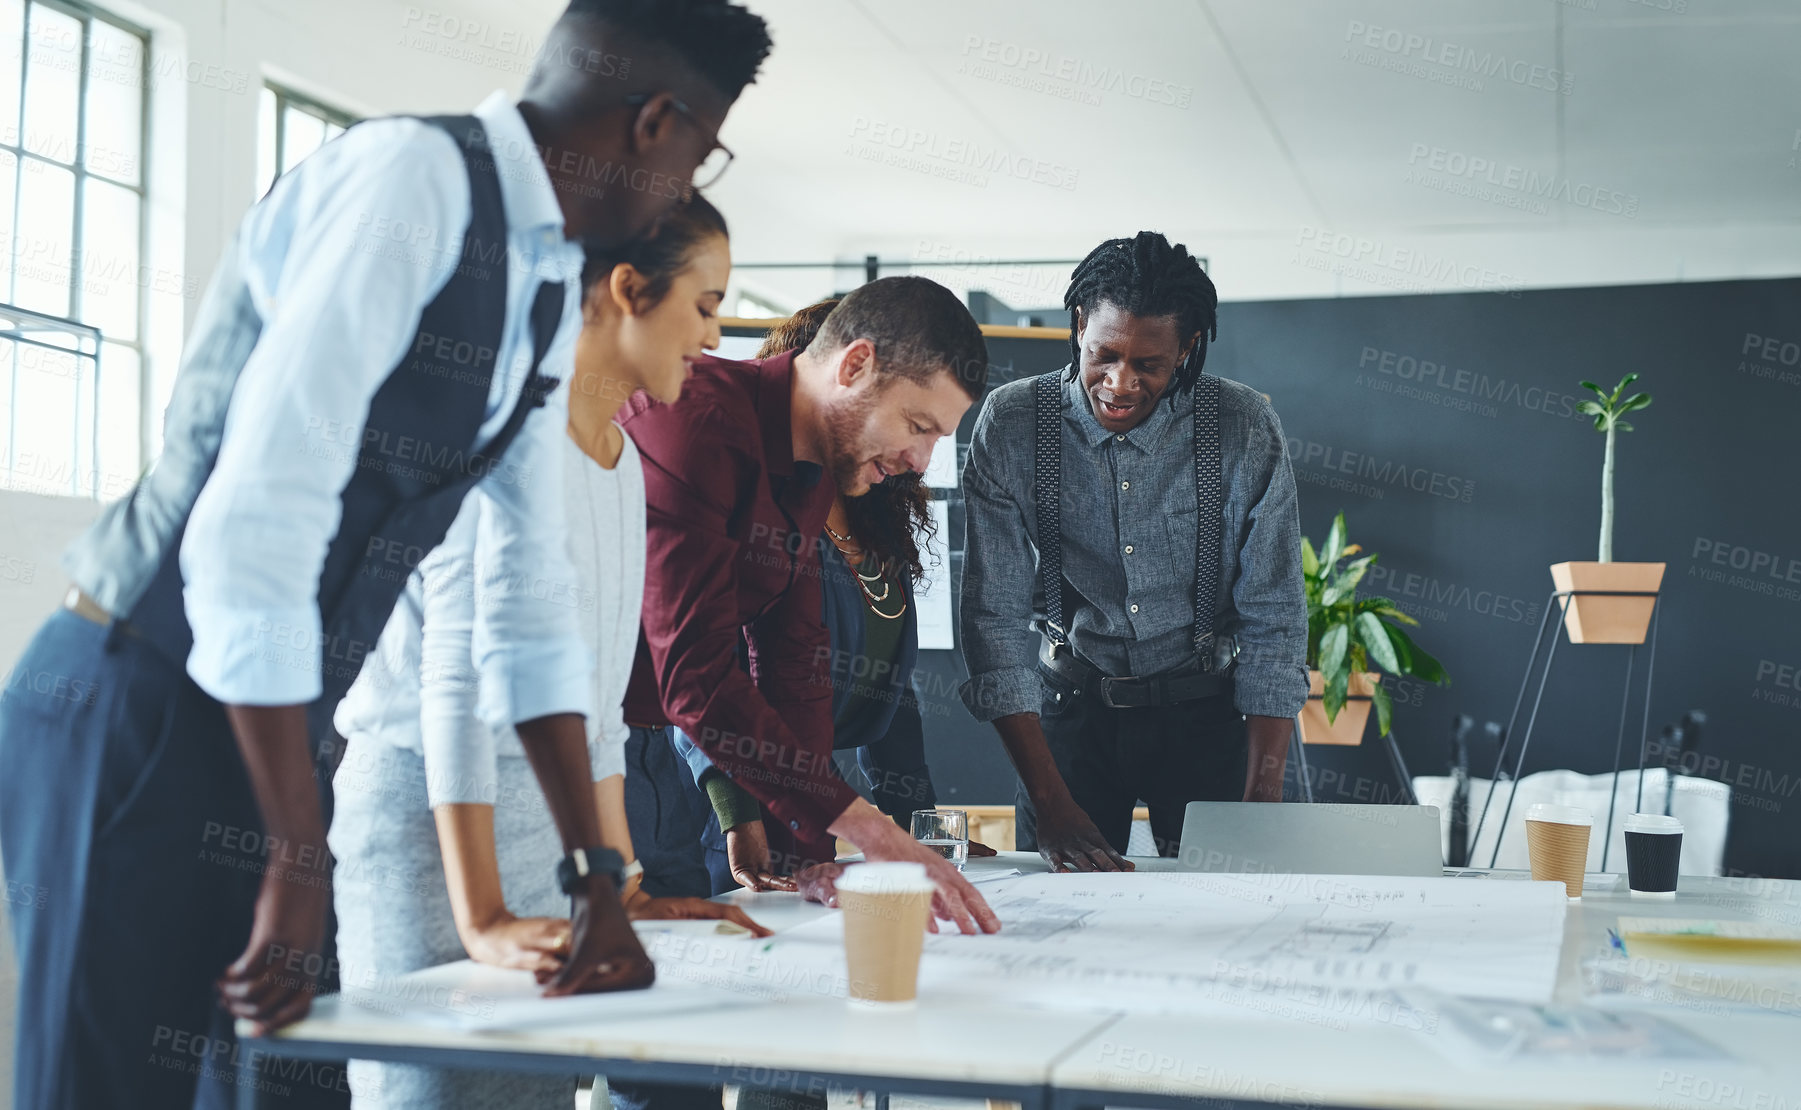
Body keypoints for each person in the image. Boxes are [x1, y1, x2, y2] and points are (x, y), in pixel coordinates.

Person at [0, 1, 773, 1105]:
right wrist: (294, 846)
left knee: (235, 1089)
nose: (694, 180)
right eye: (706, 149)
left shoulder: (547, 278)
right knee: (106, 1087)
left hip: (271, 722)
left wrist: (598, 874)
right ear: (656, 123)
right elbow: (253, 525)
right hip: (140, 695)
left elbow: (526, 588)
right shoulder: (413, 181)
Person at [331, 196, 766, 1109]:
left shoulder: (618, 457)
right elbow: (453, 681)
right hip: (431, 818)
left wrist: (623, 881)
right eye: (704, 304)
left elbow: (598, 701)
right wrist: (479, 913)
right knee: (436, 1096)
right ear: (626, 292)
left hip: (546, 822)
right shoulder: (503, 428)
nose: (714, 334)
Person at [619, 276, 1002, 934]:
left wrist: (812, 858)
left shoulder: (811, 466)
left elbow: (793, 667)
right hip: (569, 748)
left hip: (642, 743)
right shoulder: (696, 423)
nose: (918, 460)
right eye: (917, 426)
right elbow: (696, 674)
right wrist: (871, 829)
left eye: (937, 437)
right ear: (854, 365)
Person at [959, 232, 1309, 872]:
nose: (1120, 383)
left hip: (1207, 715)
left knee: (1230, 915)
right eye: (1104, 354)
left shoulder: (1242, 425)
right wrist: (1048, 801)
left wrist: (1262, 798)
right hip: (1070, 715)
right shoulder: (1012, 425)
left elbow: (1274, 614)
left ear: (1187, 350)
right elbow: (993, 619)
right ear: (1077, 326)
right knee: (1062, 920)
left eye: (1149, 364)